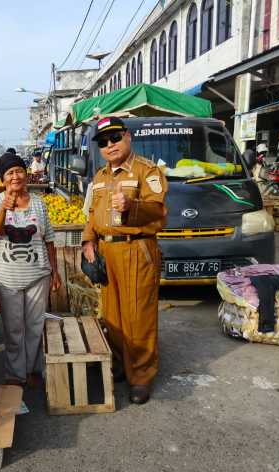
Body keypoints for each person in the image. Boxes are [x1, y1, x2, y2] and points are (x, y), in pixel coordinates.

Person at [81, 116, 168, 405]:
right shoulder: (100, 177)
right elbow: (92, 213)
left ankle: (141, 375)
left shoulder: (146, 170)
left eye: (115, 138)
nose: (110, 145)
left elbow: (158, 212)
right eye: (103, 142)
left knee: (138, 316)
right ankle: (121, 363)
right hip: (107, 253)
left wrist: (132, 206)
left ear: (127, 136)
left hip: (136, 249)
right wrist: (88, 241)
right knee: (113, 315)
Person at [0, 153, 61, 387]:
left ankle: (34, 369)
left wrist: (54, 271)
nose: (16, 176)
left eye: (19, 171)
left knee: (35, 325)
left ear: (26, 174)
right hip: (8, 277)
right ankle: (16, 374)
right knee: (14, 328)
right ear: (3, 179)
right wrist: (5, 208)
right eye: (10, 173)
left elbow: (48, 239)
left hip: (38, 274)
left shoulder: (39, 202)